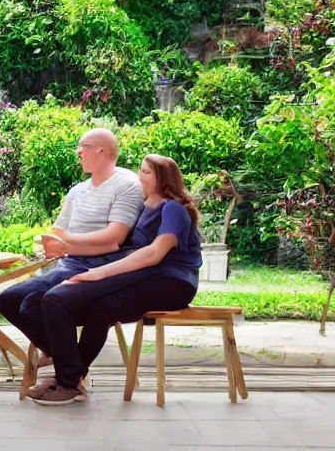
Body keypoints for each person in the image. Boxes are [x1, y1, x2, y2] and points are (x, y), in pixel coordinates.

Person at [26, 154, 203, 406]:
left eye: (146, 172)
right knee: (99, 310)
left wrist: (100, 273)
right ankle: (71, 379)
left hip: (172, 282)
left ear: (163, 179)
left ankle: (67, 380)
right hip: (147, 275)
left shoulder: (172, 208)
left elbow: (153, 254)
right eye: (140, 171)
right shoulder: (145, 209)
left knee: (71, 301)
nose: (139, 177)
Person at [0, 128, 143, 398]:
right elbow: (60, 231)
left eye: (82, 148)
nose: (78, 154)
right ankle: (66, 360)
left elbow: (114, 239)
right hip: (70, 262)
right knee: (8, 300)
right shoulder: (77, 191)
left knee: (35, 303)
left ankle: (68, 377)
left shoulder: (127, 184)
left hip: (101, 265)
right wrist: (50, 244)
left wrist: (67, 244)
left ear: (101, 150)